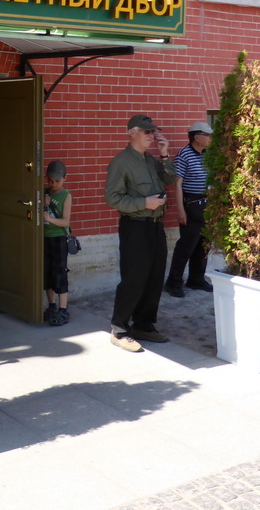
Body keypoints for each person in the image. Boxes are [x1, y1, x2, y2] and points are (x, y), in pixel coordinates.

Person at [104, 114, 177, 352]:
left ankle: (144, 325)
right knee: (134, 278)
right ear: (132, 133)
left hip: (155, 225)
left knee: (155, 276)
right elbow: (112, 198)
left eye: (152, 132)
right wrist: (144, 203)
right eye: (146, 132)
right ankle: (120, 329)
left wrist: (164, 154)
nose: (151, 136)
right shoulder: (121, 162)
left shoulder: (149, 160)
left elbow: (169, 178)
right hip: (135, 226)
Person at [165, 121, 215, 298]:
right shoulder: (183, 155)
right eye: (207, 135)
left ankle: (196, 279)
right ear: (197, 137)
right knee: (186, 246)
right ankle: (173, 282)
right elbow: (177, 184)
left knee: (203, 245)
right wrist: (181, 210)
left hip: (207, 204)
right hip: (191, 204)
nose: (210, 138)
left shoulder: (208, 154)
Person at [42, 160, 72, 326]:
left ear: (64, 179)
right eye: (50, 181)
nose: (53, 184)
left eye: (57, 181)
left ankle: (63, 308)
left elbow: (65, 222)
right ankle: (51, 305)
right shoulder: (45, 193)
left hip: (58, 237)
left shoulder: (65, 196)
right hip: (45, 237)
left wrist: (50, 219)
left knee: (59, 272)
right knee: (47, 272)